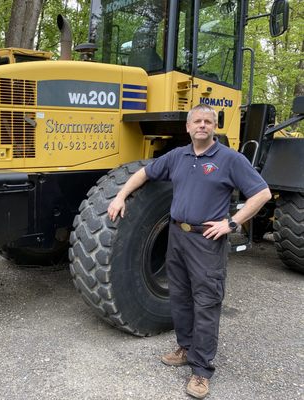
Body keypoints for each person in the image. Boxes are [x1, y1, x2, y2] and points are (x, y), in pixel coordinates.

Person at [107, 104, 271, 399]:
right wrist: (120, 196)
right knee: (180, 297)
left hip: (206, 241)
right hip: (177, 236)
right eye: (197, 121)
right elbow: (143, 173)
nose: (202, 125)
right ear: (188, 126)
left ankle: (201, 370)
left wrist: (232, 223)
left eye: (208, 121)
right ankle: (185, 347)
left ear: (214, 126)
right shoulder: (177, 156)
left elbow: (262, 193)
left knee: (206, 302)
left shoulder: (230, 159)